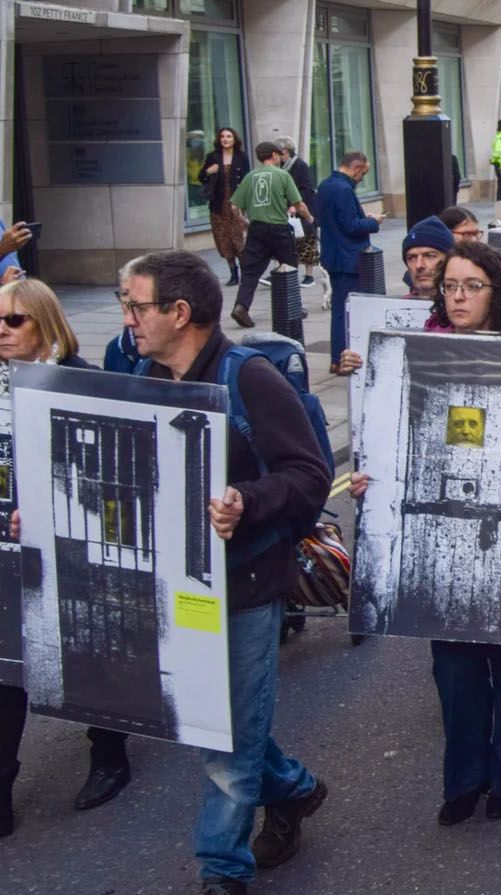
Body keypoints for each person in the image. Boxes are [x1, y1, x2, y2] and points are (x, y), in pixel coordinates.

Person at [113, 250, 332, 894]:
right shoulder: (134, 369)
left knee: (227, 737)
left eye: (136, 306)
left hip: (242, 586)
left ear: (180, 313)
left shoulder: (251, 378)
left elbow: (311, 476)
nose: (128, 319)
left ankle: (222, 867)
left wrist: (246, 500)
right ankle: (294, 789)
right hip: (166, 583)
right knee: (211, 718)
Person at [345, 242, 501, 833]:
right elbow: (393, 443)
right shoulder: (421, 355)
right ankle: (464, 779)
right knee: (455, 671)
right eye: (450, 286)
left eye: (472, 285)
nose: (458, 296)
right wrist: (375, 481)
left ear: (498, 291)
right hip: (442, 529)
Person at [0, 279, 137, 838]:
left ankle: (109, 754)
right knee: (7, 665)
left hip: (73, 546)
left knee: (85, 653)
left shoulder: (83, 381)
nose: (1, 331)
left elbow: (118, 483)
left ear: (46, 324)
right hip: (7, 548)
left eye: (14, 321)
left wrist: (53, 508)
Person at [230, 141, 313, 330]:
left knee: (251, 271)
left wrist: (243, 221)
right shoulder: (283, 175)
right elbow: (298, 204)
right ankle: (293, 307)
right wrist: (309, 218)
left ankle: (241, 306)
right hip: (278, 228)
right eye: (279, 156)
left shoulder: (250, 177)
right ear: (274, 156)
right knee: (289, 268)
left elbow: (234, 206)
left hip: (256, 229)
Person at [314, 151, 385, 371]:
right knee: (348, 309)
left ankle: (338, 358)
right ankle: (341, 358)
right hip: (349, 258)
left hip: (334, 255)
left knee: (339, 308)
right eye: (362, 173)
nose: (361, 178)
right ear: (355, 167)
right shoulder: (343, 189)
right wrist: (373, 222)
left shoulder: (326, 185)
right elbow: (351, 226)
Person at [200, 127, 251, 285]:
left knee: (238, 237)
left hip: (236, 203)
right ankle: (233, 272)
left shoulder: (241, 157)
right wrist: (209, 171)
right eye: (222, 136)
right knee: (223, 239)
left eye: (229, 136)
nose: (225, 139)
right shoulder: (213, 157)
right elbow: (201, 177)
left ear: (234, 139)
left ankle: (246, 272)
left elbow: (247, 179)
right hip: (218, 204)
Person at [272, 138, 320, 288]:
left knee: (306, 240)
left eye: (277, 153)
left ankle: (309, 275)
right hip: (286, 209)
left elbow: (306, 189)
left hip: (302, 208)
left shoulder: (299, 165)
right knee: (286, 241)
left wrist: (296, 205)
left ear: (285, 152)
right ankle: (283, 270)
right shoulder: (279, 167)